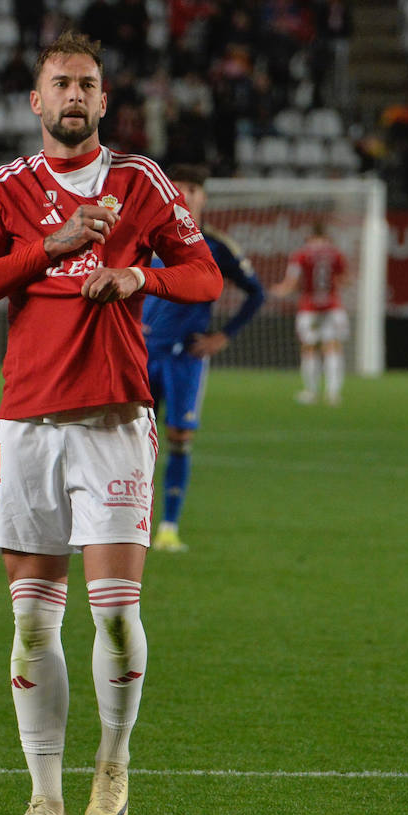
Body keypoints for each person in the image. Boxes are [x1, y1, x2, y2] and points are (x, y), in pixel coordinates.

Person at [0, 31, 222, 815]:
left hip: (113, 420)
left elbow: (202, 274)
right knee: (32, 621)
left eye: (87, 84)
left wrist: (141, 275)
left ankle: (114, 761)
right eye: (60, 83)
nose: (74, 95)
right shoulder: (5, 188)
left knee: (111, 611)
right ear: (36, 101)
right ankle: (44, 797)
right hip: (28, 424)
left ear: (104, 101)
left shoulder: (140, 182)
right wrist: (49, 248)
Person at [140, 165, 265, 554]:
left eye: (193, 188)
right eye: (178, 187)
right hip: (141, 355)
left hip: (185, 359)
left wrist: (222, 337)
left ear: (204, 197)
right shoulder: (145, 237)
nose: (185, 194)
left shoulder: (216, 246)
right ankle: (130, 525)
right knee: (131, 440)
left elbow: (256, 293)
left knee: (179, 437)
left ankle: (168, 526)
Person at [269, 223, 350, 406]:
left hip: (309, 307)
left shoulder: (300, 256)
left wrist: (278, 290)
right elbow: (344, 279)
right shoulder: (335, 254)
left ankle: (311, 392)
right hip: (332, 306)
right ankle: (333, 393)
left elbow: (291, 282)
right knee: (332, 347)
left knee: (309, 348)